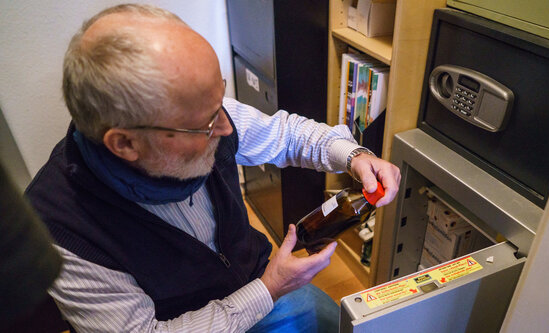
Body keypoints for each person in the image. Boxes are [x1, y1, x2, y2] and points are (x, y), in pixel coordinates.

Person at [25, 4, 401, 332]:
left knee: (338, 321)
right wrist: (267, 289)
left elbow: (286, 135)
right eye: (205, 123)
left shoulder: (203, 112)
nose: (225, 127)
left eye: (221, 99)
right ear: (125, 143)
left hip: (257, 285)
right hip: (191, 320)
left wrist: (355, 157)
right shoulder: (59, 231)